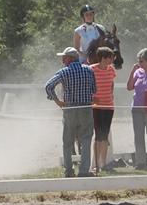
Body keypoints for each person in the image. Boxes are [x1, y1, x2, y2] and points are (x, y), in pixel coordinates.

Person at [45, 47, 96, 177]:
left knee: (67, 141)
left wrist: (57, 101)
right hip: (86, 108)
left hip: (70, 109)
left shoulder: (64, 72)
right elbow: (94, 90)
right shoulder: (89, 70)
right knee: (86, 140)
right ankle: (84, 171)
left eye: (64, 57)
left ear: (70, 58)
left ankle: (69, 170)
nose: (62, 59)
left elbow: (48, 86)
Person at [89, 46, 118, 174]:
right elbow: (88, 86)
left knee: (105, 135)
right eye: (110, 57)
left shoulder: (111, 70)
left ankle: (103, 163)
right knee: (97, 135)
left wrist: (111, 97)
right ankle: (95, 164)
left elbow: (112, 85)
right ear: (103, 58)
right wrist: (92, 98)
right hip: (96, 107)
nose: (112, 60)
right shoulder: (91, 69)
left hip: (109, 106)